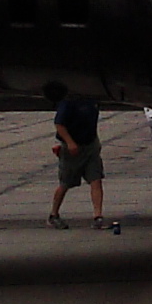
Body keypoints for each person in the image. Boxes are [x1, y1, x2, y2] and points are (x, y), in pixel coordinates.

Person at [47, 86, 109, 228]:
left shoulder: (93, 100)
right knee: (66, 183)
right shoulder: (69, 102)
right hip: (72, 149)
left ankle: (98, 217)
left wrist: (95, 142)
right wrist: (69, 143)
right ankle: (53, 215)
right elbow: (59, 124)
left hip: (90, 146)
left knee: (96, 179)